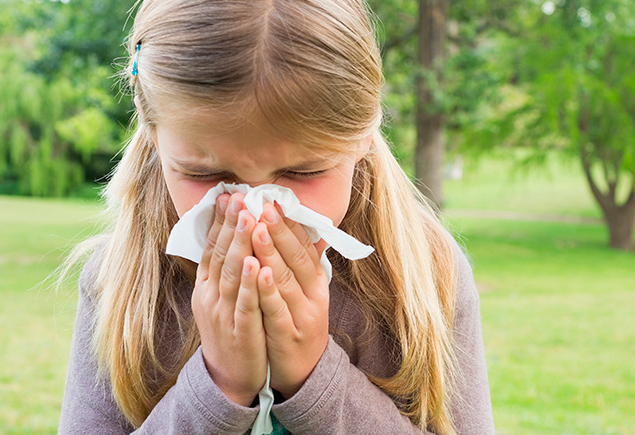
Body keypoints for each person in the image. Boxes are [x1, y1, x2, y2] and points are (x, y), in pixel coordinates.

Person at [57, 0, 494, 433]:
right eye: (205, 174)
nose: (257, 211)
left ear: (364, 135)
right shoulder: (119, 280)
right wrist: (219, 386)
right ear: (153, 136)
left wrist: (314, 381)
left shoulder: (427, 269)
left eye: (303, 172)